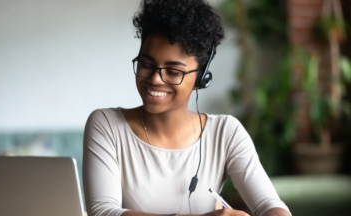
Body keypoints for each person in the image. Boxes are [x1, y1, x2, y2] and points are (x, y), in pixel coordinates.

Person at [82, 0, 292, 216]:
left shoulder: (226, 133)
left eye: (173, 71)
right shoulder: (106, 125)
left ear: (201, 78)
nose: (155, 79)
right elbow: (103, 212)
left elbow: (270, 205)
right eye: (146, 64)